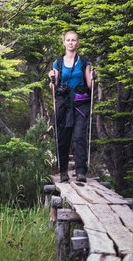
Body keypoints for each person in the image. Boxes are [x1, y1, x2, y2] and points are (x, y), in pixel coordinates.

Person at [48, 31, 93, 183]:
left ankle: (81, 171)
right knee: (63, 137)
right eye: (68, 40)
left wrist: (94, 77)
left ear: (77, 43)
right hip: (63, 105)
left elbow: (89, 85)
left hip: (80, 103)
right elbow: (54, 86)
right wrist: (51, 79)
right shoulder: (58, 63)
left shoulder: (84, 62)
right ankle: (63, 172)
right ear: (64, 42)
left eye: (73, 40)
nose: (71, 43)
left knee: (80, 136)